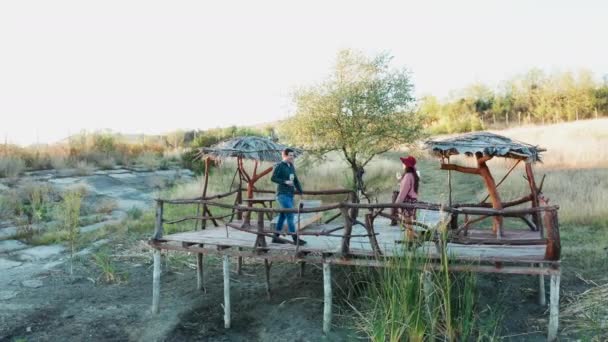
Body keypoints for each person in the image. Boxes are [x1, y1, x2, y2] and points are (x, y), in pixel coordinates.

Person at [270, 148, 307, 245]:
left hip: (290, 194)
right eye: (290, 155)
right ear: (285, 155)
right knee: (290, 215)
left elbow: (295, 180)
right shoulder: (280, 166)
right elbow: (273, 178)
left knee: (283, 216)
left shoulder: (291, 166)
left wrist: (300, 191)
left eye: (293, 155)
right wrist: (284, 181)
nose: (292, 157)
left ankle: (275, 238)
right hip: (282, 195)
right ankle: (296, 239)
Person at [395, 156, 420, 239]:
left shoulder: (408, 176)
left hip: (407, 201)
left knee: (407, 224)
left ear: (406, 165)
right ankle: (411, 240)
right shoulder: (414, 175)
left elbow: (403, 192)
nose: (402, 164)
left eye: (404, 163)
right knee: (409, 223)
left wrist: (397, 203)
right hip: (413, 201)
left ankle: (412, 240)